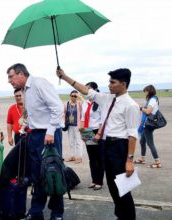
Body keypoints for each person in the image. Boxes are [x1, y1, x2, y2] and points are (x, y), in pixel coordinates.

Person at [57, 68, 139, 220]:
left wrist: (129, 160)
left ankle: (128, 217)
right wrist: (65, 76)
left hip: (119, 147)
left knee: (123, 187)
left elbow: (132, 135)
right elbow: (85, 90)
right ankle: (121, 215)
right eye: (109, 82)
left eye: (112, 82)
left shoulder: (131, 105)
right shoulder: (107, 99)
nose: (109, 85)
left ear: (123, 84)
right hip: (106, 144)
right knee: (113, 186)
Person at [7, 63, 64, 220]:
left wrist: (51, 131)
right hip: (34, 135)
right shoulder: (25, 90)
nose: (9, 81)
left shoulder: (39, 83)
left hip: (49, 135)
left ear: (21, 74)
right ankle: (36, 212)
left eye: (11, 77)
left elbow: (57, 107)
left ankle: (57, 213)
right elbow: (33, 114)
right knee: (36, 174)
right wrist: (26, 127)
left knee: (52, 173)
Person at [80, 82, 104, 191]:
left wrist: (99, 133)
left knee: (99, 157)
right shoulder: (85, 103)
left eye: (89, 89)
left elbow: (102, 120)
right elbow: (83, 118)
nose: (86, 91)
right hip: (87, 131)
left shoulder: (100, 102)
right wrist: (82, 132)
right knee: (91, 158)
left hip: (97, 131)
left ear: (95, 89)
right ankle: (94, 180)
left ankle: (99, 181)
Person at [135, 84, 162, 168]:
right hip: (146, 124)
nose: (145, 93)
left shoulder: (153, 100)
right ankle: (142, 159)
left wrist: (140, 108)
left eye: (146, 91)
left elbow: (148, 111)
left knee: (150, 143)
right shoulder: (152, 99)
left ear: (149, 91)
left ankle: (158, 162)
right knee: (142, 141)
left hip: (148, 124)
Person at [63, 90, 83, 163]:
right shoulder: (67, 103)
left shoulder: (80, 103)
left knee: (78, 142)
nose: (74, 97)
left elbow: (86, 104)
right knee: (71, 142)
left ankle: (79, 157)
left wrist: (80, 97)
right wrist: (64, 121)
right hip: (69, 125)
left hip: (77, 126)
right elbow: (64, 113)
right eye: (72, 96)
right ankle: (72, 156)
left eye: (75, 96)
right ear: (70, 96)